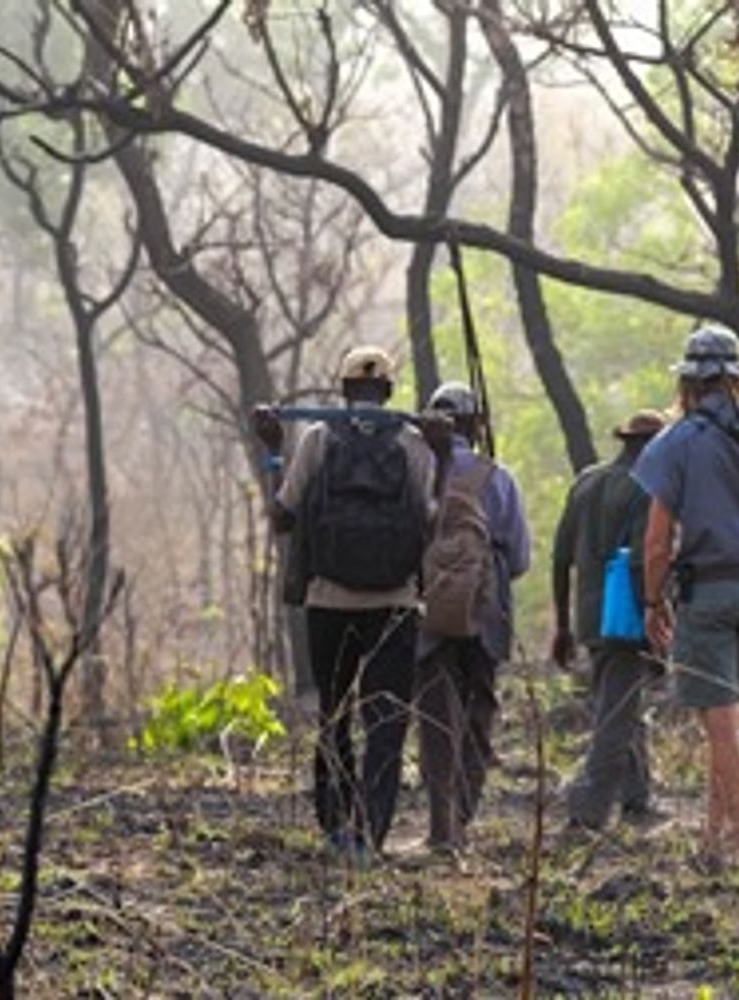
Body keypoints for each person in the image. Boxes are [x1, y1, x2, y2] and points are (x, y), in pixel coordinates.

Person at [253, 346, 449, 860]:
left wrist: (272, 452)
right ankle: (371, 834)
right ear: (389, 393)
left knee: (333, 714)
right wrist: (444, 455)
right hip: (396, 604)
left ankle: (336, 824)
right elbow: (434, 521)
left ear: (342, 392)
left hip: (327, 601)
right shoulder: (411, 444)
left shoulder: (318, 439)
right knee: (385, 722)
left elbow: (282, 516)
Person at [633, 326, 739, 873]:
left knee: (722, 726)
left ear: (688, 382)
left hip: (709, 592)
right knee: (727, 724)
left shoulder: (673, 443)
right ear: (737, 378)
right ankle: (710, 843)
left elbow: (657, 541)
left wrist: (653, 602)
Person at [413, 382, 531, 853]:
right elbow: (519, 558)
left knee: (436, 716)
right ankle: (463, 816)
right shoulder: (497, 477)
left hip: (428, 610)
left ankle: (441, 826)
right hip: (487, 611)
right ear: (473, 425)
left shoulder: (418, 472)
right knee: (478, 716)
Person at [553, 409, 669, 834]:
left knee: (620, 699)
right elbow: (645, 559)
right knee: (615, 714)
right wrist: (658, 613)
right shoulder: (651, 487)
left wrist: (563, 624)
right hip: (628, 611)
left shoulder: (587, 481)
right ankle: (586, 812)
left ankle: (638, 800)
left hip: (589, 615)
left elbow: (561, 557)